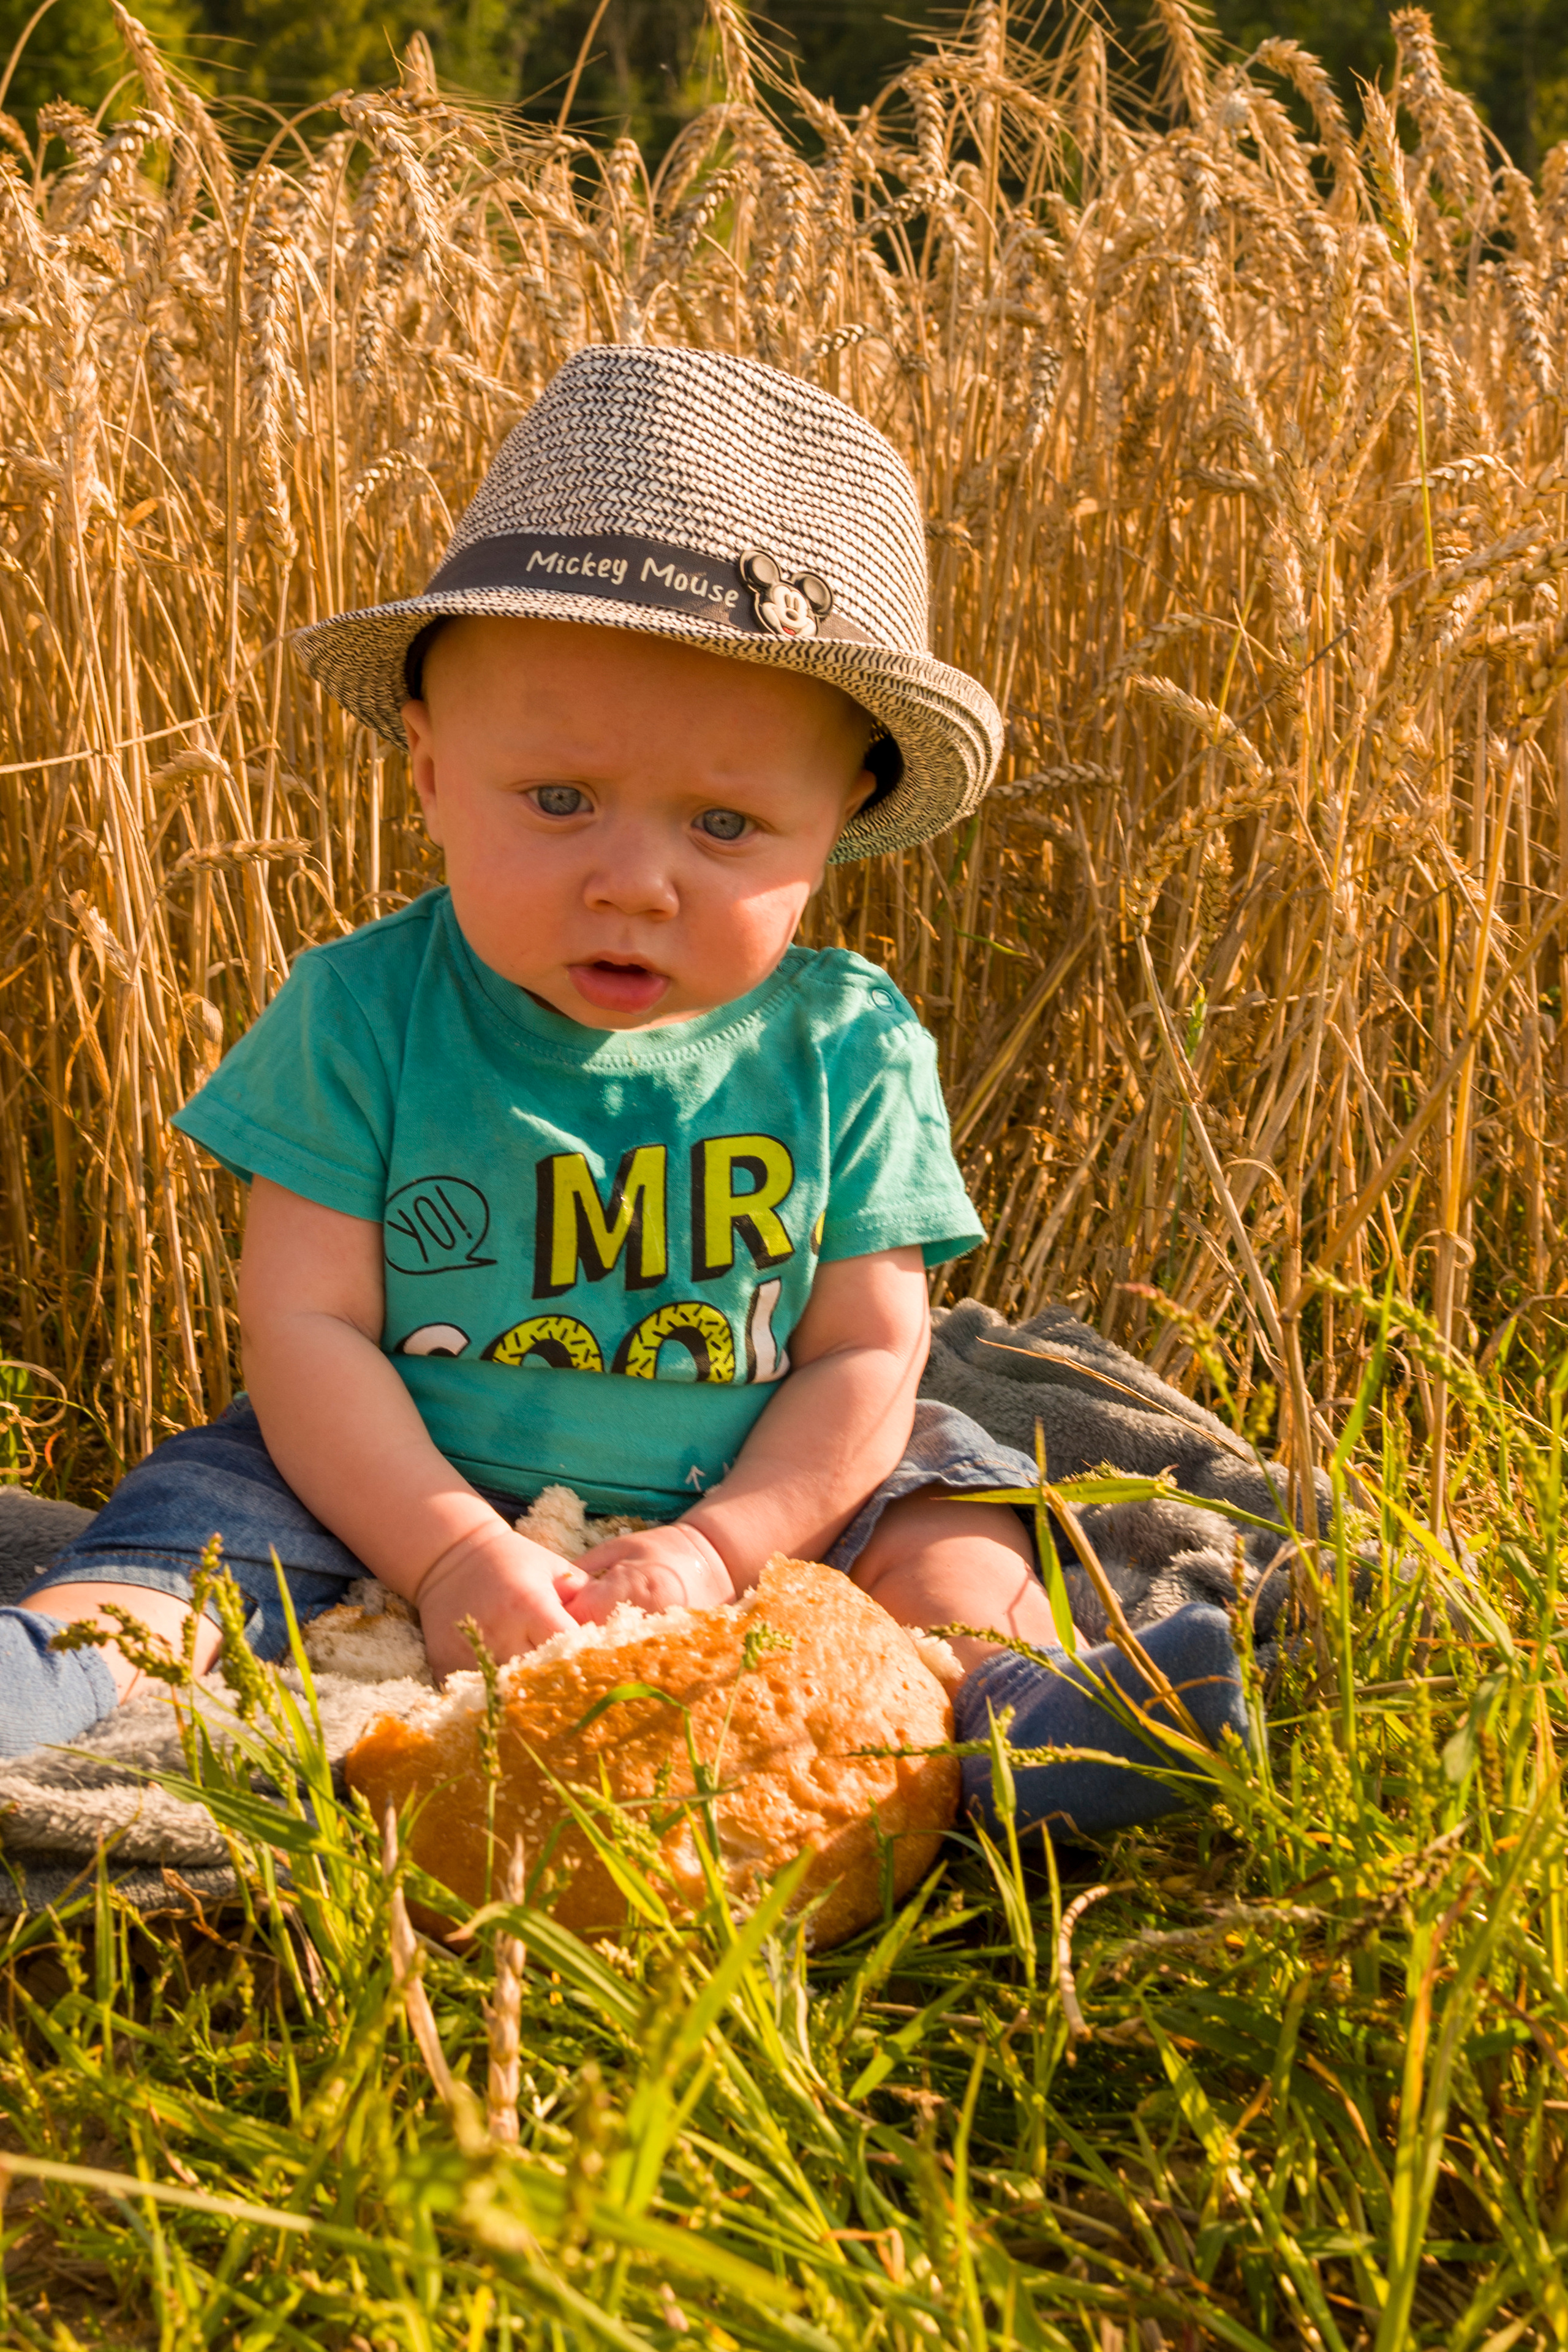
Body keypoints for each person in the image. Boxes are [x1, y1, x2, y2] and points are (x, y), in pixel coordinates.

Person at [1, 346, 1249, 1833]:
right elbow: (308, 1325)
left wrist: (725, 1549)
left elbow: (860, 1355)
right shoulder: (360, 1014)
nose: (634, 883)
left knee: (953, 1516)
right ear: (428, 767)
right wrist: (449, 1551)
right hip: (394, 1465)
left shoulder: (847, 1047)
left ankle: (1018, 1717)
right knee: (183, 1550)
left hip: (764, 1474)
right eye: (558, 802)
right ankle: (46, 1674)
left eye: (724, 824)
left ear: (837, 820)